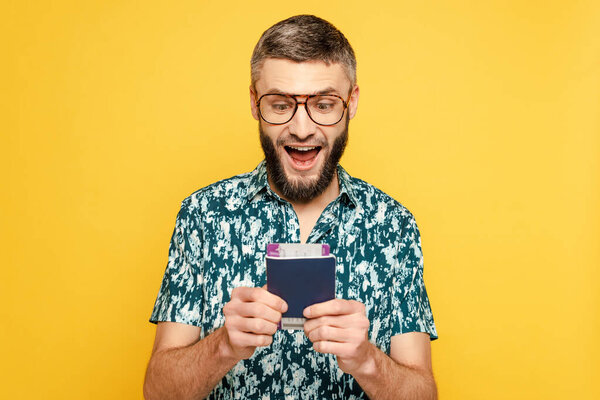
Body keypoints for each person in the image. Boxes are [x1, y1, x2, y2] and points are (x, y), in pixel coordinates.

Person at [143, 14, 438, 400]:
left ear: (351, 104)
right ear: (254, 102)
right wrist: (223, 347)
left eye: (324, 103)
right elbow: (156, 392)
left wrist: (367, 360)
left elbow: (424, 393)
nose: (301, 128)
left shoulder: (392, 226)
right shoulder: (203, 215)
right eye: (280, 104)